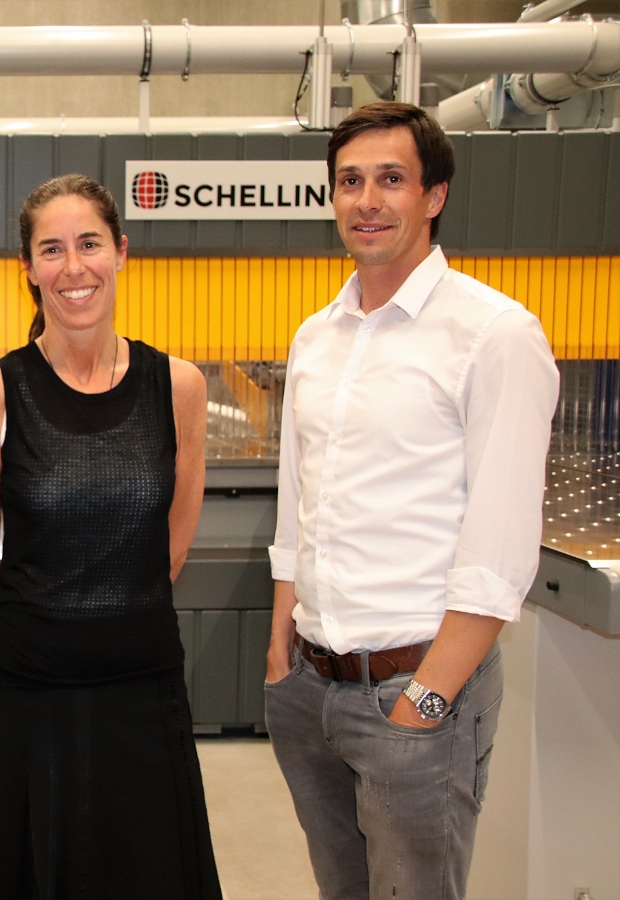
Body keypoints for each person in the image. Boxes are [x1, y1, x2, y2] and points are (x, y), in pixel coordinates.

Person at [265, 102, 559, 899]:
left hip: (418, 695)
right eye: (350, 181)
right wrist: (281, 660)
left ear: (434, 195)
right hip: (310, 691)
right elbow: (298, 508)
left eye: (391, 179)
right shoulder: (315, 338)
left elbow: (500, 551)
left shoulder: (494, 335)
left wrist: (427, 701)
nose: (367, 201)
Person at [0, 173, 220, 897]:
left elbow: (170, 547)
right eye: (52, 250)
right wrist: (50, 626)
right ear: (29, 269)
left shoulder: (179, 387)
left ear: (121, 252)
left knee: (150, 873)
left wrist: (109, 619)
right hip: (27, 691)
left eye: (90, 244)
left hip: (141, 682)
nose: (74, 268)